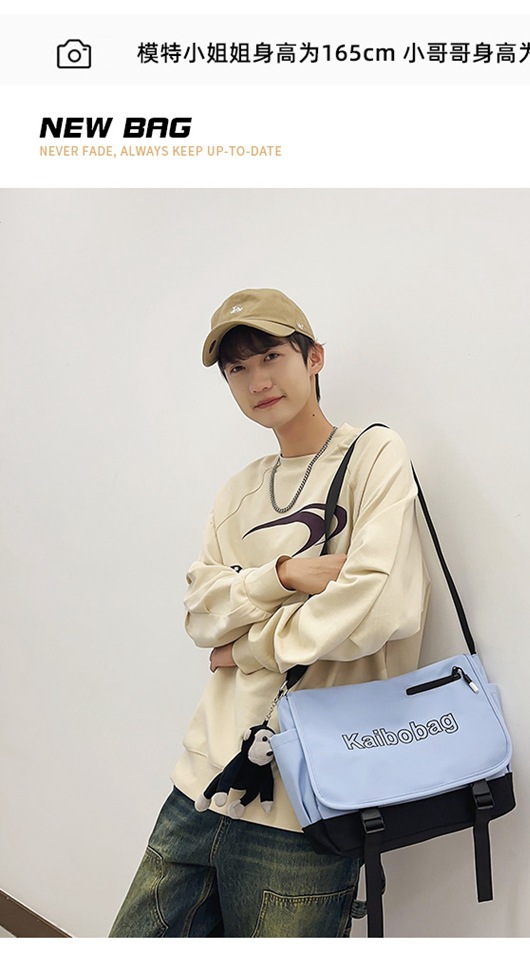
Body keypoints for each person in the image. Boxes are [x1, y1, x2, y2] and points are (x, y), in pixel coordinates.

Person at [110, 288, 430, 938]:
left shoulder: (374, 456)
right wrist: (283, 574)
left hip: (307, 805)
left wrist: (247, 646)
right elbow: (201, 614)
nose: (257, 381)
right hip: (203, 786)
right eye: (237, 369)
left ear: (314, 358)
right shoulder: (238, 492)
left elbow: (375, 606)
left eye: (271, 357)